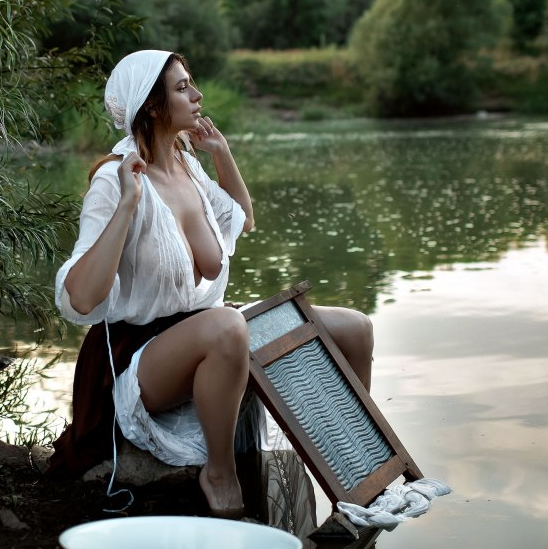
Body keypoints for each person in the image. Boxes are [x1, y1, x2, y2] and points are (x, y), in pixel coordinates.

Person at [44, 49, 374, 518]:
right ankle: (219, 472)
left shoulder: (186, 166)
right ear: (152, 106)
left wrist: (221, 153)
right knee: (227, 325)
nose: (198, 96)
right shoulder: (114, 181)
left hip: (208, 328)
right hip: (138, 356)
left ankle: (358, 466)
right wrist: (127, 206)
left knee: (354, 328)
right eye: (183, 88)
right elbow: (80, 297)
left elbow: (242, 220)